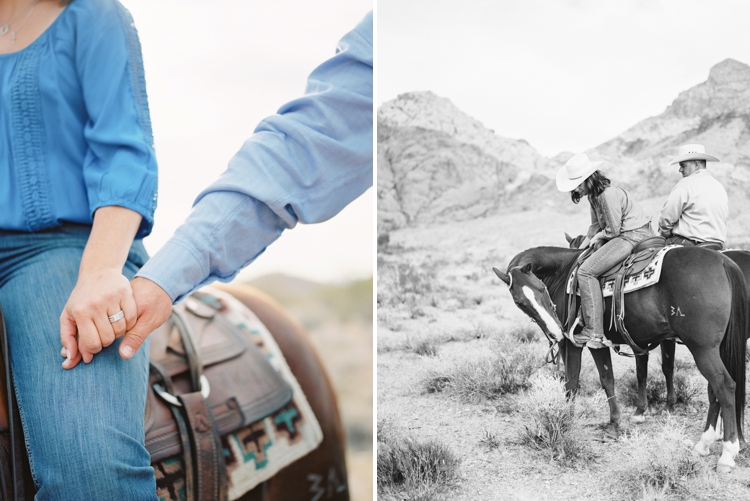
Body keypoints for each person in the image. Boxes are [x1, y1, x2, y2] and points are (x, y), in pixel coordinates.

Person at [62, 10, 373, 365]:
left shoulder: (93, 18)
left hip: (78, 246)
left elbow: (312, 143)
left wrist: (149, 278)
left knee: (85, 388)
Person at [0, 0, 158, 498]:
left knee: (90, 472)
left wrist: (97, 273)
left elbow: (123, 150)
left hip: (66, 249)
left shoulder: (93, 17)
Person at [556, 153, 653, 349]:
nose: (576, 188)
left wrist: (598, 237)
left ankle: (595, 332)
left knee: (586, 271)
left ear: (589, 178)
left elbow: (613, 230)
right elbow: (594, 226)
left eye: (578, 183)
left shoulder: (606, 194)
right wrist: (585, 244)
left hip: (632, 236)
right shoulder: (593, 195)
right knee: (585, 260)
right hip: (624, 235)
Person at [657, 144, 728, 250]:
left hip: (688, 244)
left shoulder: (685, 184)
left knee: (650, 256)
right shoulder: (719, 186)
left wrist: (665, 234)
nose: (679, 170)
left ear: (696, 165)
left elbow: (666, 218)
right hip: (716, 246)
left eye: (683, 165)